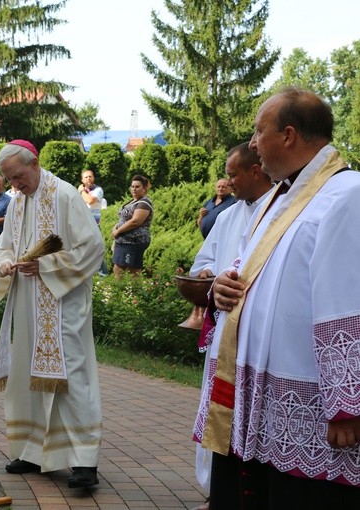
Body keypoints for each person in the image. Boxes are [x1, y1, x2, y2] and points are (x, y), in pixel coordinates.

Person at [197, 87, 360, 508]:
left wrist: (346, 406)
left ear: (288, 135)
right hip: (253, 389)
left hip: (307, 395)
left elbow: (346, 298)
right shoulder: (278, 195)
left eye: (258, 131)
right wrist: (222, 285)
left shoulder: (347, 194)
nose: (252, 143)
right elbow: (247, 264)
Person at [0, 140, 104, 489]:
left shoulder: (66, 195)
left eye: (19, 177)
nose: (15, 186)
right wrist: (6, 262)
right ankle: (32, 449)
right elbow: (5, 245)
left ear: (35, 163)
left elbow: (92, 247)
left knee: (72, 378)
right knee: (27, 374)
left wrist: (48, 265)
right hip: (28, 305)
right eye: (9, 180)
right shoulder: (19, 202)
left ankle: (84, 461)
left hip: (62, 306)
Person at [187, 143, 273, 508]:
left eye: (234, 174)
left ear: (256, 170)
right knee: (219, 413)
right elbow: (202, 262)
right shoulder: (227, 216)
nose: (227, 181)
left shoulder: (280, 209)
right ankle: (215, 490)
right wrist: (208, 274)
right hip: (224, 331)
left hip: (258, 339)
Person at [111, 175, 153, 277]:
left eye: (137, 187)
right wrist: (115, 227)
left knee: (132, 270)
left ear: (144, 188)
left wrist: (118, 231)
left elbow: (135, 221)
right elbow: (124, 218)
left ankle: (134, 291)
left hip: (133, 242)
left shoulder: (144, 203)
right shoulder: (133, 201)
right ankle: (120, 290)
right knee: (118, 268)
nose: (134, 189)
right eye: (132, 186)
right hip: (124, 241)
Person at [78, 169, 108, 275]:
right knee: (84, 252)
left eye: (90, 176)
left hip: (94, 226)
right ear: (82, 180)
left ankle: (103, 274)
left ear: (93, 178)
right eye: (86, 177)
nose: (88, 178)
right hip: (82, 226)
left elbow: (90, 200)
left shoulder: (98, 190)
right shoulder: (79, 192)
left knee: (96, 251)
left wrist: (81, 191)